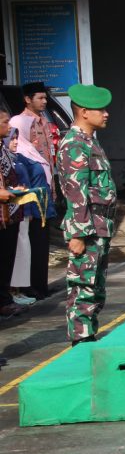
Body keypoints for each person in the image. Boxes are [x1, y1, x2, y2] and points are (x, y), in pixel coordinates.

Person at [56, 84, 116, 346]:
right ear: (83, 112)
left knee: (95, 287)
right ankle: (81, 341)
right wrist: (78, 235)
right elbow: (76, 193)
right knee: (83, 287)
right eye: (100, 109)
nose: (106, 114)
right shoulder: (75, 145)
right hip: (87, 228)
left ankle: (88, 335)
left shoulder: (89, 142)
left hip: (99, 225)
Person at [10, 81, 56, 300]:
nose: (44, 102)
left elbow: (47, 158)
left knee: (41, 240)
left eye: (45, 98)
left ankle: (41, 285)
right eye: (40, 98)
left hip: (44, 186)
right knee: (30, 240)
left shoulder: (44, 121)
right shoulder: (20, 123)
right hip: (29, 193)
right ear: (27, 99)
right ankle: (30, 286)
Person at [0, 109, 28, 321]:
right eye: (4, 122)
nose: (9, 127)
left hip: (9, 212)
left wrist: (14, 188)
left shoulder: (3, 148)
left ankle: (4, 300)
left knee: (6, 258)